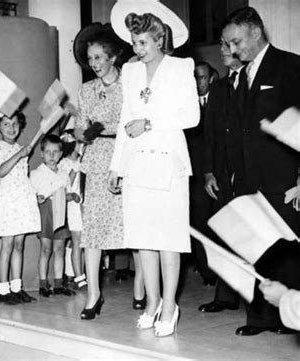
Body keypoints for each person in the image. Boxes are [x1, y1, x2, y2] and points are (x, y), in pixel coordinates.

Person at [109, 0, 199, 337]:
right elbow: (123, 122)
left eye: (143, 42)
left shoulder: (181, 67)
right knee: (142, 238)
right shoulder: (130, 72)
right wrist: (117, 166)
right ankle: (152, 302)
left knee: (168, 239)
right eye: (134, 43)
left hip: (168, 163)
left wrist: (149, 122)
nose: (137, 49)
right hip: (137, 164)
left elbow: (192, 116)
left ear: (159, 39)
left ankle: (170, 307)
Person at [222, 6, 300, 336]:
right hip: (249, 179)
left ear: (256, 32)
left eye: (237, 41)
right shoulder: (241, 75)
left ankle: (290, 314)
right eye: (229, 43)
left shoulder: (291, 65)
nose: (233, 49)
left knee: (285, 250)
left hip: (283, 177)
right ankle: (259, 318)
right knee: (254, 246)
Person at [73, 22, 143, 320]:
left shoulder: (131, 85)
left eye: (99, 58)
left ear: (113, 57)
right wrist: (83, 133)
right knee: (93, 231)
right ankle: (93, 296)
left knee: (136, 228)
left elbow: (137, 122)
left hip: (127, 157)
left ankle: (141, 288)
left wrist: (110, 129)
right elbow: (79, 127)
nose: (95, 64)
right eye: (90, 60)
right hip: (97, 162)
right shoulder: (86, 90)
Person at [198, 39, 244, 313]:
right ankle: (225, 296)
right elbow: (209, 136)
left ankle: (265, 306)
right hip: (223, 175)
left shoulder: (256, 82)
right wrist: (208, 172)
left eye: (230, 45)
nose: (223, 51)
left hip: (252, 172)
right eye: (222, 46)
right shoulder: (218, 88)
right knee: (223, 234)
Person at [0, 111, 41, 305]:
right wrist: (20, 154)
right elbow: (1, 171)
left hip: (22, 200)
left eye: (15, 124)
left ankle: (17, 288)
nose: (11, 128)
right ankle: (3, 290)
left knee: (19, 245)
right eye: (6, 124)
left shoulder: (22, 147)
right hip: (7, 202)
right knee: (8, 246)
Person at [30, 134, 75, 297]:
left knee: (60, 249)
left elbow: (67, 193)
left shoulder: (63, 174)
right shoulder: (36, 174)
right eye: (48, 152)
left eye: (55, 152)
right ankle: (43, 284)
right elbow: (30, 196)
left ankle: (58, 284)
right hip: (45, 213)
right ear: (41, 153)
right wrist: (37, 198)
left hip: (60, 213)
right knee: (45, 249)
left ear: (61, 154)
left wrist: (72, 196)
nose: (51, 155)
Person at [188, 61, 218, 286]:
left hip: (214, 173)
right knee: (198, 222)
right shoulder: (187, 105)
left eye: (202, 77)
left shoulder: (219, 102)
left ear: (211, 78)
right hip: (193, 174)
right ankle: (204, 268)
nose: (198, 82)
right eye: (195, 77)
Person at [59, 131, 87, 289]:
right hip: (73, 206)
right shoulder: (64, 163)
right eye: (79, 143)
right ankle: (78, 276)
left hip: (85, 203)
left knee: (84, 242)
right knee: (77, 241)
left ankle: (77, 272)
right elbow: (65, 185)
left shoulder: (83, 161)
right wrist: (74, 169)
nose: (82, 147)